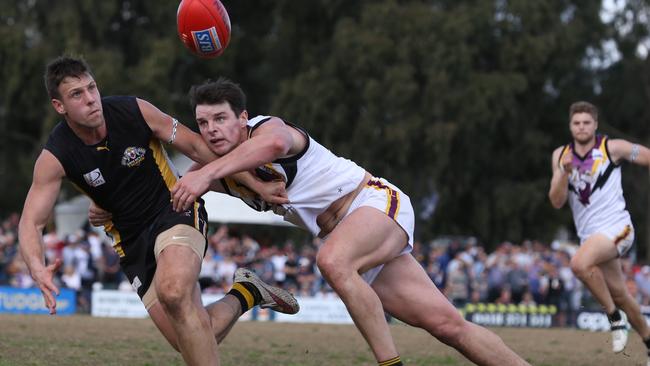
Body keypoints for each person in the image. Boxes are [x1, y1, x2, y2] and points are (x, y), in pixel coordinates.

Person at [169, 78, 531, 366]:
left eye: (220, 118)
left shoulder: (264, 130)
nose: (212, 129)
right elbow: (166, 186)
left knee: (332, 261)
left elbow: (277, 143)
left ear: (243, 117)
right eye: (203, 123)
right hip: (348, 233)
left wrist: (206, 174)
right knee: (448, 326)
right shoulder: (217, 171)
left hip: (372, 200)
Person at [18, 56, 298, 366]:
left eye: (92, 88)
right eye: (77, 95)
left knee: (174, 291)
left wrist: (255, 185)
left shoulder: (133, 110)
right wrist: (36, 266)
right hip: (131, 242)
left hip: (174, 208)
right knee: (189, 336)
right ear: (60, 107)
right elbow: (31, 222)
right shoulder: (56, 153)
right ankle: (247, 292)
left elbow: (196, 148)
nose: (90, 99)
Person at [548, 101, 650, 361]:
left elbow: (646, 156)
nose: (581, 127)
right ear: (570, 126)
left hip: (618, 228)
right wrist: (563, 171)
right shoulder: (561, 155)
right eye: (576, 123)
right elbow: (556, 201)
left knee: (579, 264)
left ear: (595, 124)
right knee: (621, 295)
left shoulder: (611, 147)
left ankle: (614, 318)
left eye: (586, 122)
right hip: (591, 237)